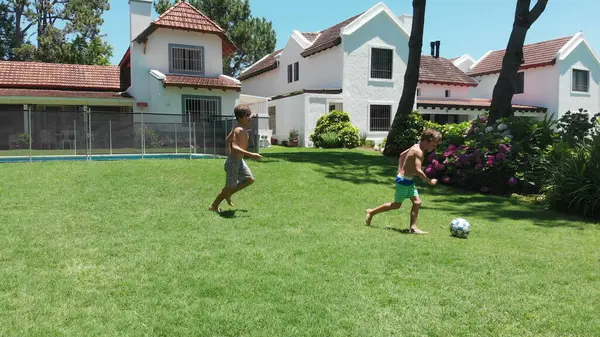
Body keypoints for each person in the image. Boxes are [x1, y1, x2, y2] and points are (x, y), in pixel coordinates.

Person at [365, 129, 442, 234]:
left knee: (417, 202)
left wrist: (400, 169)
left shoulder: (415, 146)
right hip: (403, 181)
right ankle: (371, 212)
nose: (434, 148)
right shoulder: (418, 152)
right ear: (427, 141)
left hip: (407, 180)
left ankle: (413, 228)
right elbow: (418, 170)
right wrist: (429, 181)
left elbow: (402, 155)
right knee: (396, 205)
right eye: (434, 145)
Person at [209, 104, 262, 212]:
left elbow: (228, 140)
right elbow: (234, 146)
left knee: (249, 179)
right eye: (247, 115)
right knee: (229, 187)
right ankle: (214, 206)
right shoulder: (239, 130)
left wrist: (231, 154)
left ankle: (229, 194)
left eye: (250, 114)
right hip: (233, 162)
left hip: (238, 160)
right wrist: (251, 155)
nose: (250, 117)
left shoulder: (238, 128)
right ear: (240, 117)